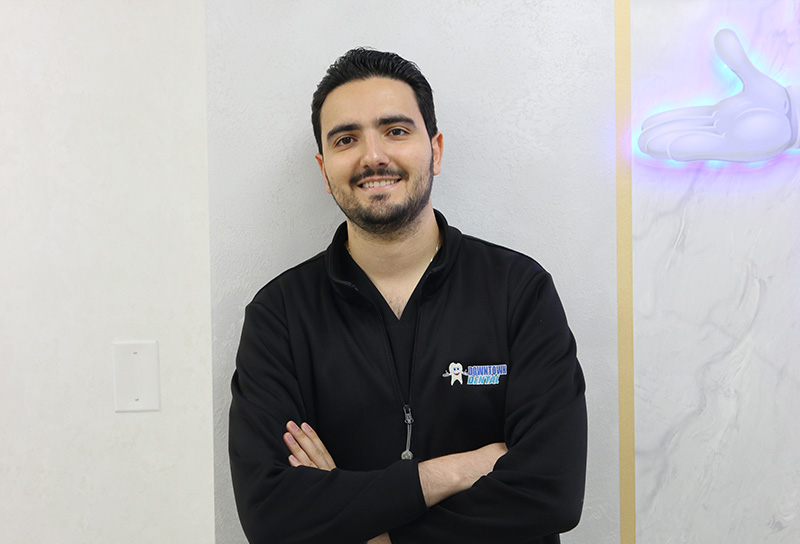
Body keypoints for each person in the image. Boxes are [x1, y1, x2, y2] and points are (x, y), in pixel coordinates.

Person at [229, 47, 587, 544]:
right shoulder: (280, 315)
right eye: (346, 139)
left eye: (395, 131)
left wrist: (370, 531)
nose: (373, 156)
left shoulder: (518, 290)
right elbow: (270, 514)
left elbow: (550, 492)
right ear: (324, 168)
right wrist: (452, 472)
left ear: (435, 151)